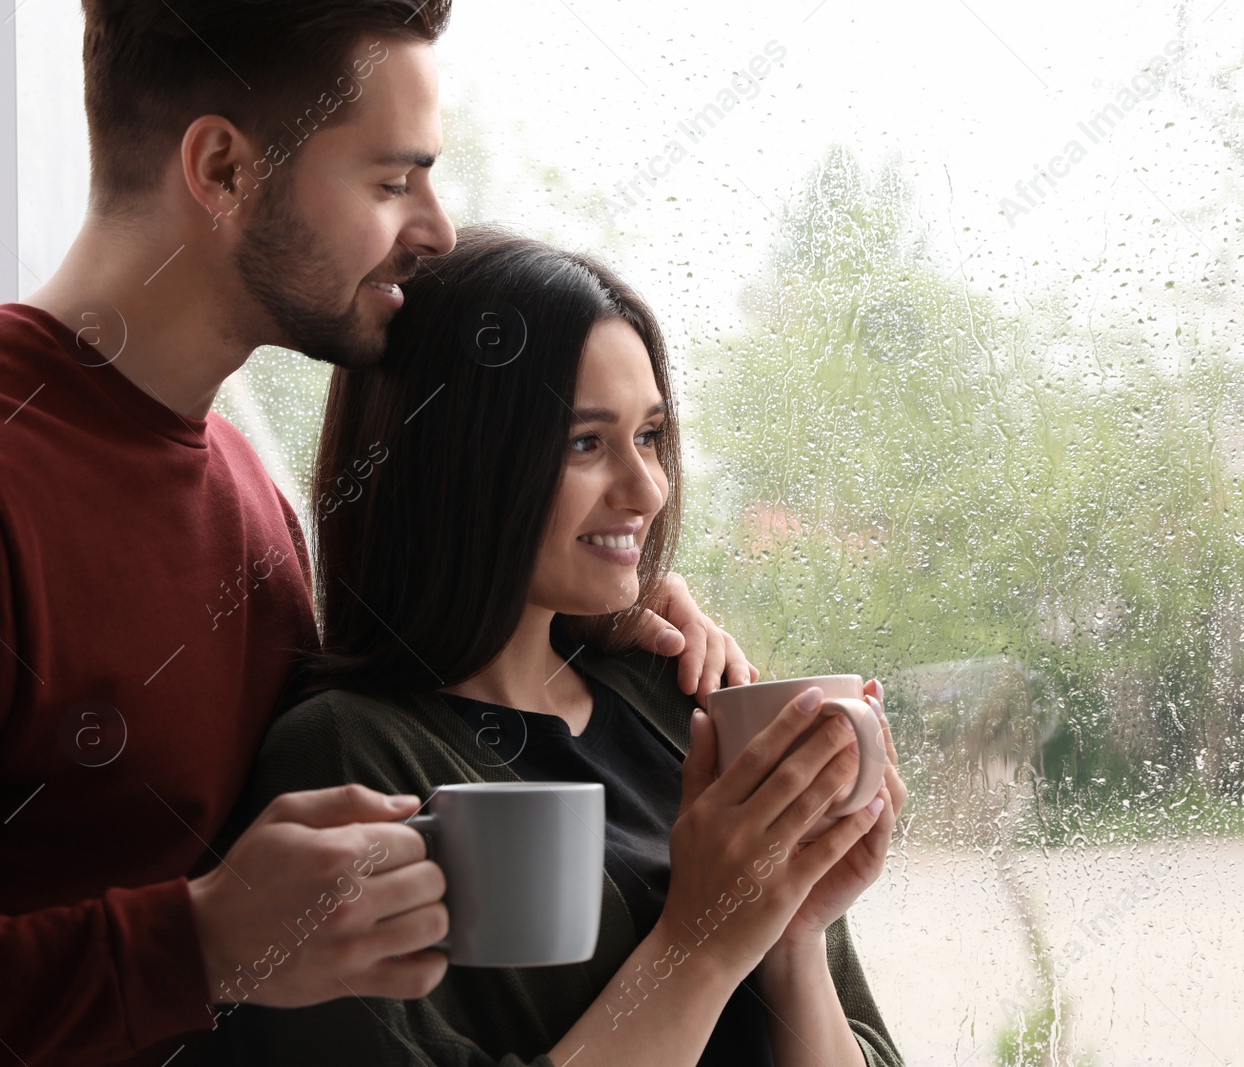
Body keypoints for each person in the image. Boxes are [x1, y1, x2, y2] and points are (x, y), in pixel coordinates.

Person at [0, 5, 753, 1065]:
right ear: (220, 170)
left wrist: (601, 617)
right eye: (392, 182)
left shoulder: (242, 489)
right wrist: (197, 942)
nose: (435, 227)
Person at [215, 226, 908, 1066]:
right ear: (458, 464)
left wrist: (790, 933)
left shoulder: (677, 695)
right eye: (586, 442)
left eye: (650, 435)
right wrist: (702, 941)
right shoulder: (345, 757)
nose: (647, 488)